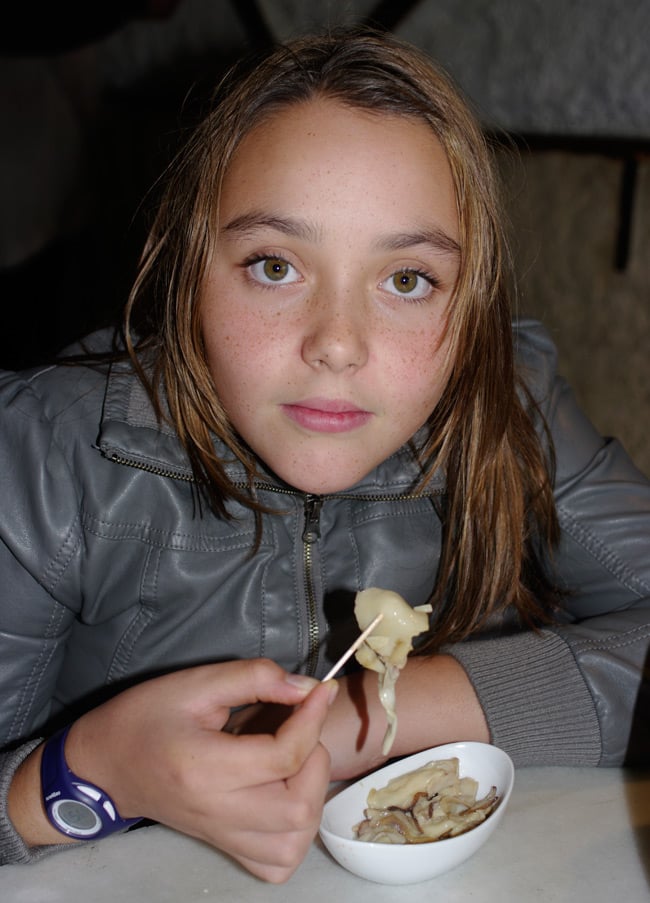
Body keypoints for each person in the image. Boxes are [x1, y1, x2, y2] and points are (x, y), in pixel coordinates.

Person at [1, 26, 648, 883]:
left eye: (407, 279)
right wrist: (89, 772)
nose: (337, 344)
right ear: (188, 269)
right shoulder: (51, 452)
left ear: (472, 304)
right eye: (275, 265)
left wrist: (373, 714)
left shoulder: (510, 407)